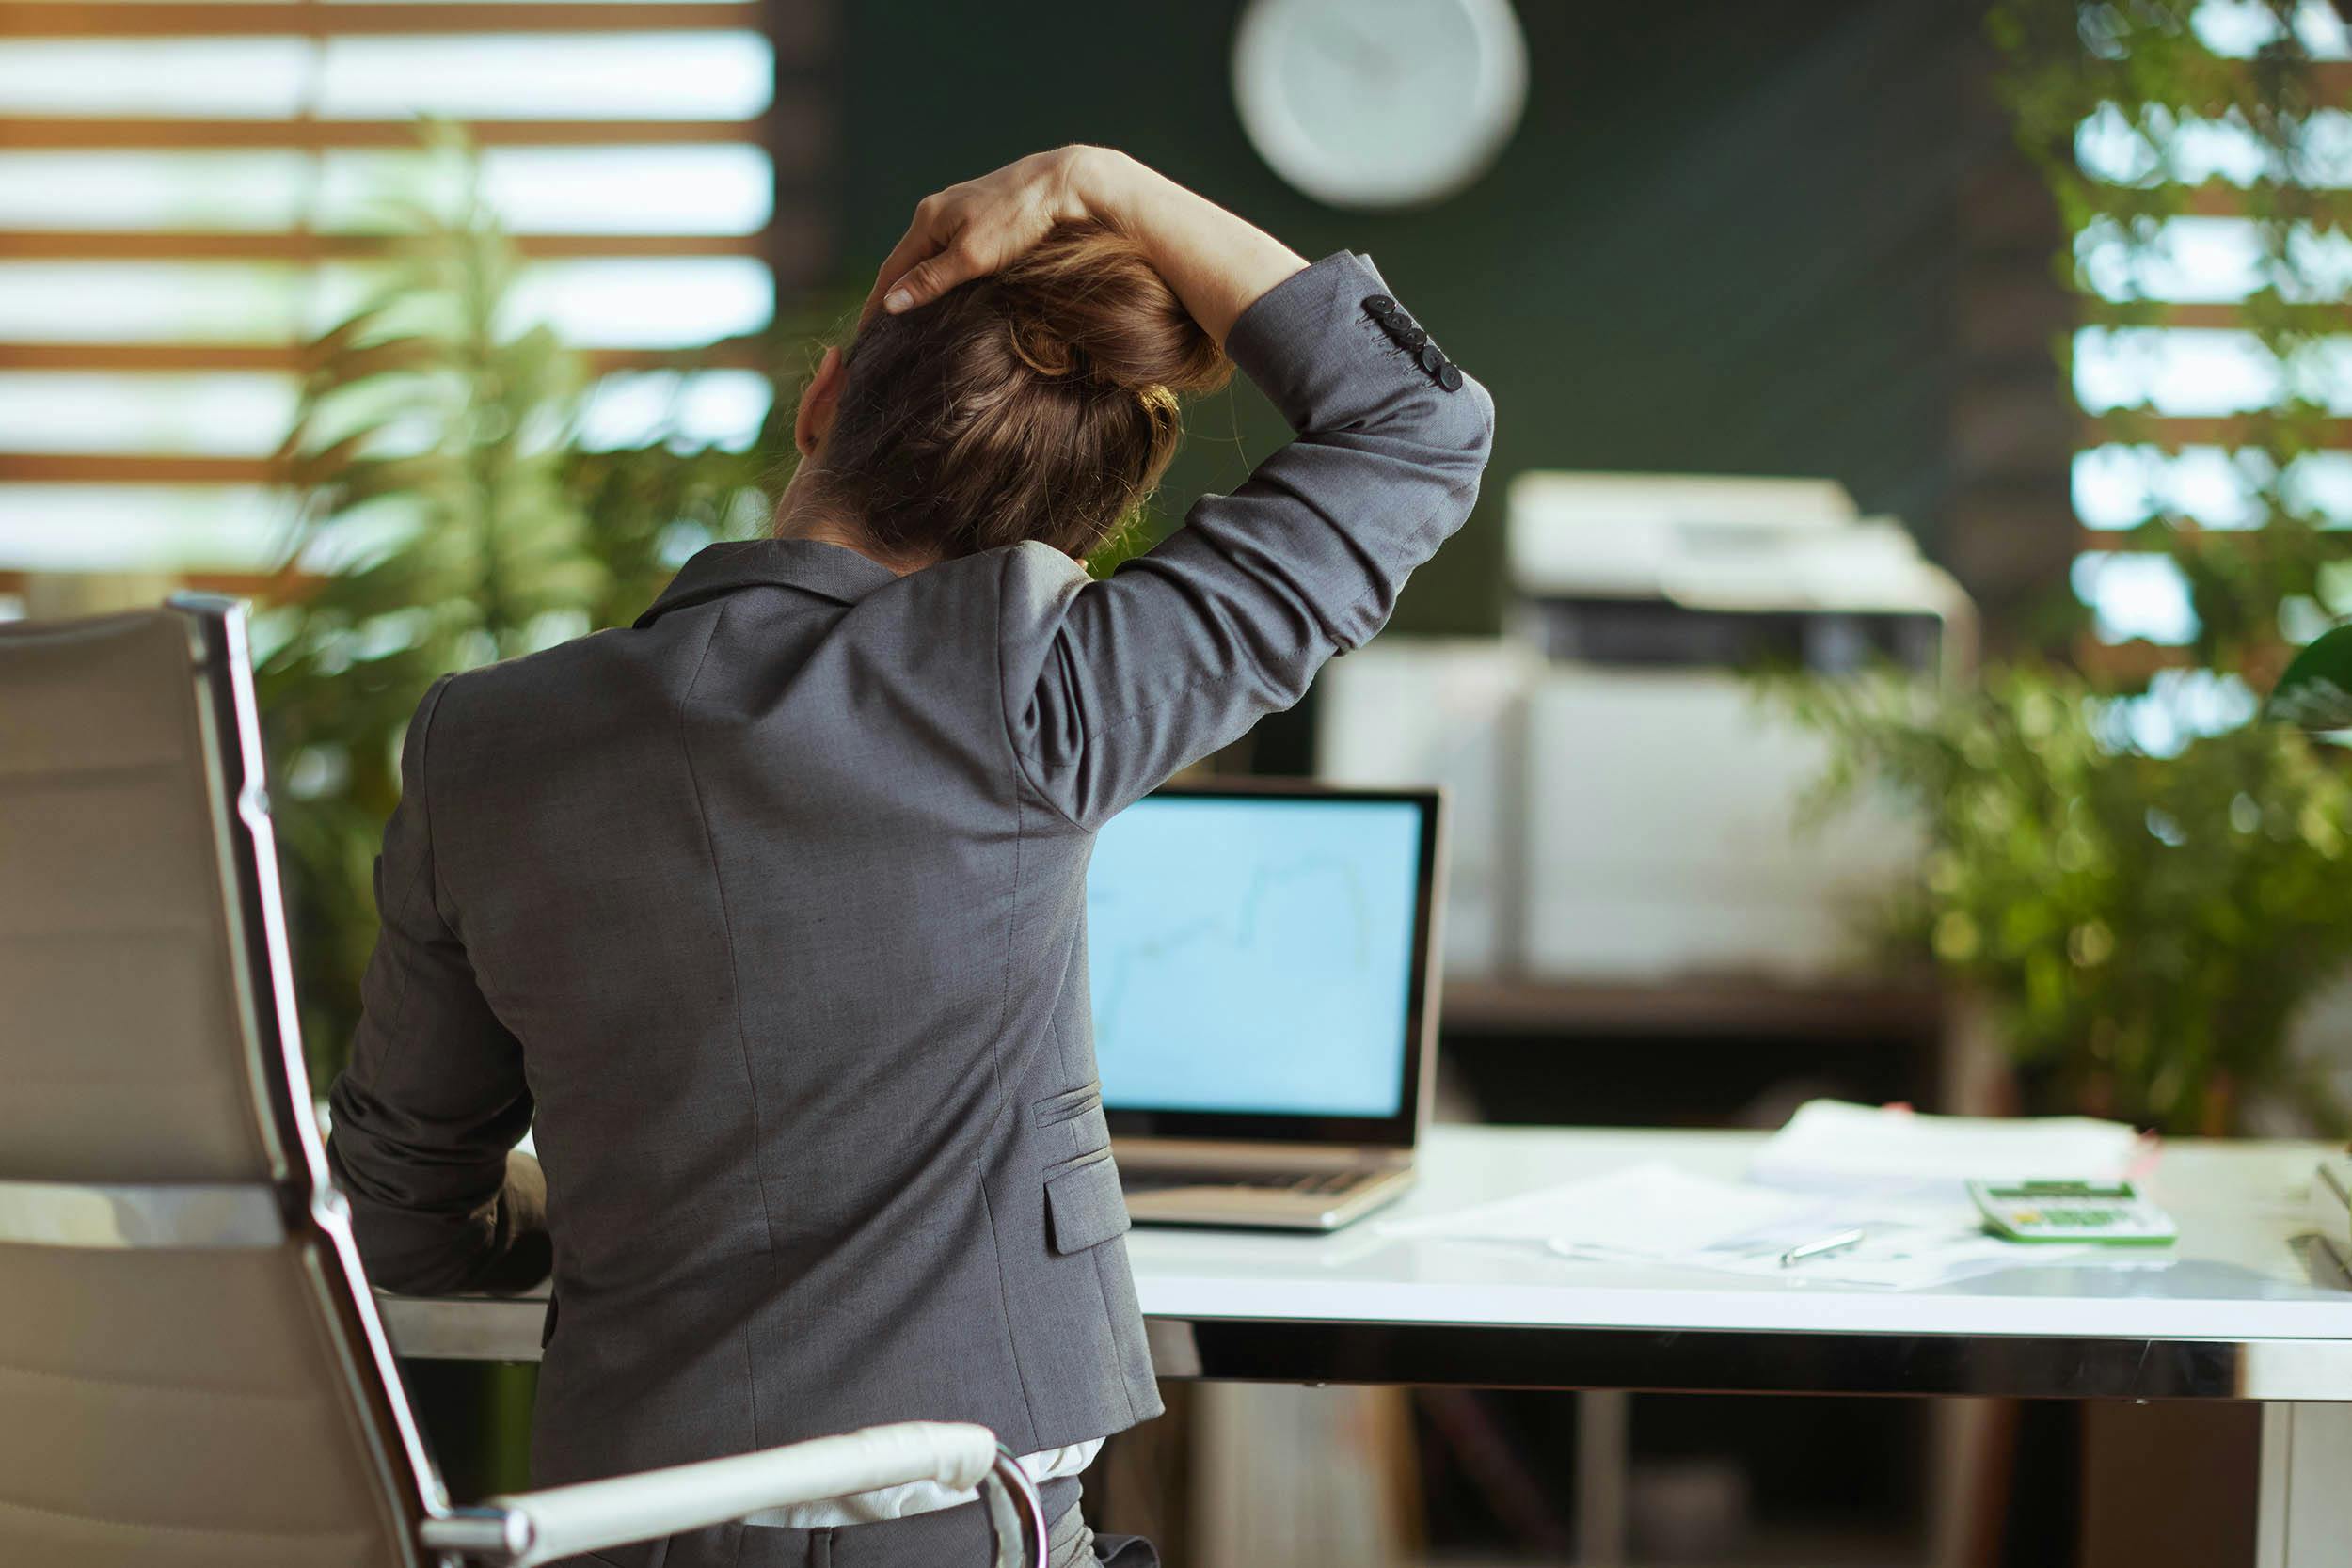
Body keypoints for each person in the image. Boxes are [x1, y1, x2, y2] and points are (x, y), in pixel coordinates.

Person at [326, 145, 1494, 1568]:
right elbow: (1415, 429)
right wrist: (1100, 182)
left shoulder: (484, 745)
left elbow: (397, 1224)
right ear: (1079, 531)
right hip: (971, 1533)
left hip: (620, 1536)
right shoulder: (1041, 695)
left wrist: (627, 1197)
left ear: (824, 402)